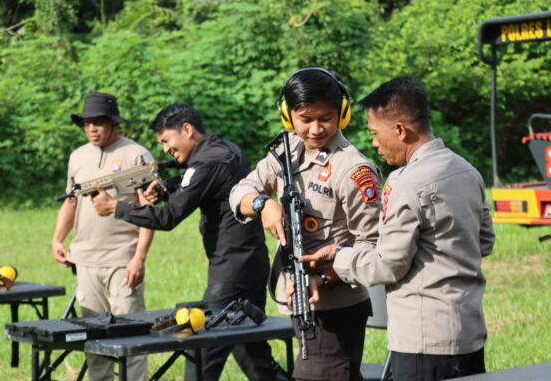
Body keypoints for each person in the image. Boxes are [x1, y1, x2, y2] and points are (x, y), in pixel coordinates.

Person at [297, 77, 495, 381]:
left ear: (400, 130)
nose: (374, 144)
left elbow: (388, 266)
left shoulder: (405, 183)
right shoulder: (467, 170)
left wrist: (337, 256)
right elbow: (484, 242)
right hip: (469, 333)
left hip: (423, 342)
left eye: (376, 134)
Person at [92, 103, 287, 381]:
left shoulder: (207, 161)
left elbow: (169, 217)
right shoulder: (224, 149)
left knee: (203, 350)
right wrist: (166, 187)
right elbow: (200, 185)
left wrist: (115, 207)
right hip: (249, 263)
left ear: (187, 129)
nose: (165, 149)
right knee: (252, 352)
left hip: (231, 270)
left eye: (166, 141)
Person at [229, 67, 382, 381]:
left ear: (342, 114)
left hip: (335, 308)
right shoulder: (287, 151)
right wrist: (263, 204)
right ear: (288, 116)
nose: (315, 129)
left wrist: (323, 276)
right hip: (298, 300)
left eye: (325, 118)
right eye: (305, 118)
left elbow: (372, 245)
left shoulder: (354, 169)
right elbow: (240, 191)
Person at [51, 92, 153, 381]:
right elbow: (70, 202)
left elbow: (149, 213)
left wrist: (139, 258)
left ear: (113, 123)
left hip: (123, 261)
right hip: (85, 261)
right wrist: (58, 239)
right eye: (86, 123)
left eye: (98, 122)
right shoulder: (78, 157)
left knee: (131, 338)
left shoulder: (137, 155)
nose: (91, 128)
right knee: (94, 341)